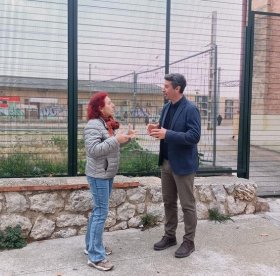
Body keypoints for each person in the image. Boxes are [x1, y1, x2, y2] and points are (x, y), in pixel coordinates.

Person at [147, 73, 201, 258]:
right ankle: (170, 236)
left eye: (167, 86)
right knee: (168, 202)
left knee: (187, 205)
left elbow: (194, 136)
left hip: (184, 165)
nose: (164, 88)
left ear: (177, 88)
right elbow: (164, 129)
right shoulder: (166, 107)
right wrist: (155, 128)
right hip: (166, 162)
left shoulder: (190, 109)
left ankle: (189, 241)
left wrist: (167, 134)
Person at [84, 91, 136, 271]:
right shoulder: (93, 125)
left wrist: (126, 138)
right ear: (100, 107)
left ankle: (91, 246)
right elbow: (93, 150)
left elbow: (112, 147)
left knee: (98, 211)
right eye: (110, 102)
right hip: (98, 174)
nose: (113, 105)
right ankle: (96, 257)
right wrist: (115, 139)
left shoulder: (106, 124)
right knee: (101, 213)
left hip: (106, 173)